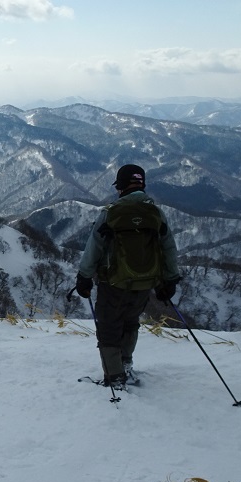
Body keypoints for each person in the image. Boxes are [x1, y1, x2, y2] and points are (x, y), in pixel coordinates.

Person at [74, 164, 180, 388]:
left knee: (109, 327)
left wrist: (84, 277)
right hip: (145, 283)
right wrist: (169, 280)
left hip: (113, 282)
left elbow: (94, 248)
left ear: (120, 186)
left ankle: (114, 378)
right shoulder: (156, 214)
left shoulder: (111, 213)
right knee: (130, 323)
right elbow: (168, 248)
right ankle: (126, 366)